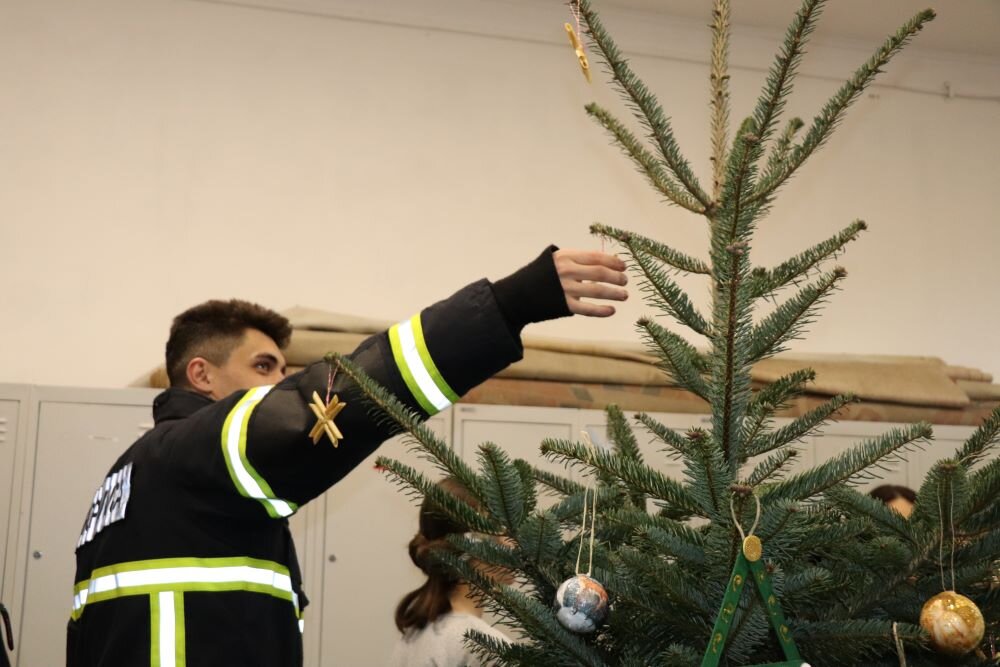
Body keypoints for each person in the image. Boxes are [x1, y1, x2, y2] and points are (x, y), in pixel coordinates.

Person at [68, 246, 627, 666]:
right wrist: (507, 305)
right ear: (201, 375)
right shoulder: (192, 452)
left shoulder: (123, 483)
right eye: (264, 367)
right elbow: (340, 401)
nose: (280, 381)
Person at [389, 478, 512, 667]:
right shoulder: (488, 648)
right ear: (474, 547)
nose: (515, 544)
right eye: (503, 532)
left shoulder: (412, 635)